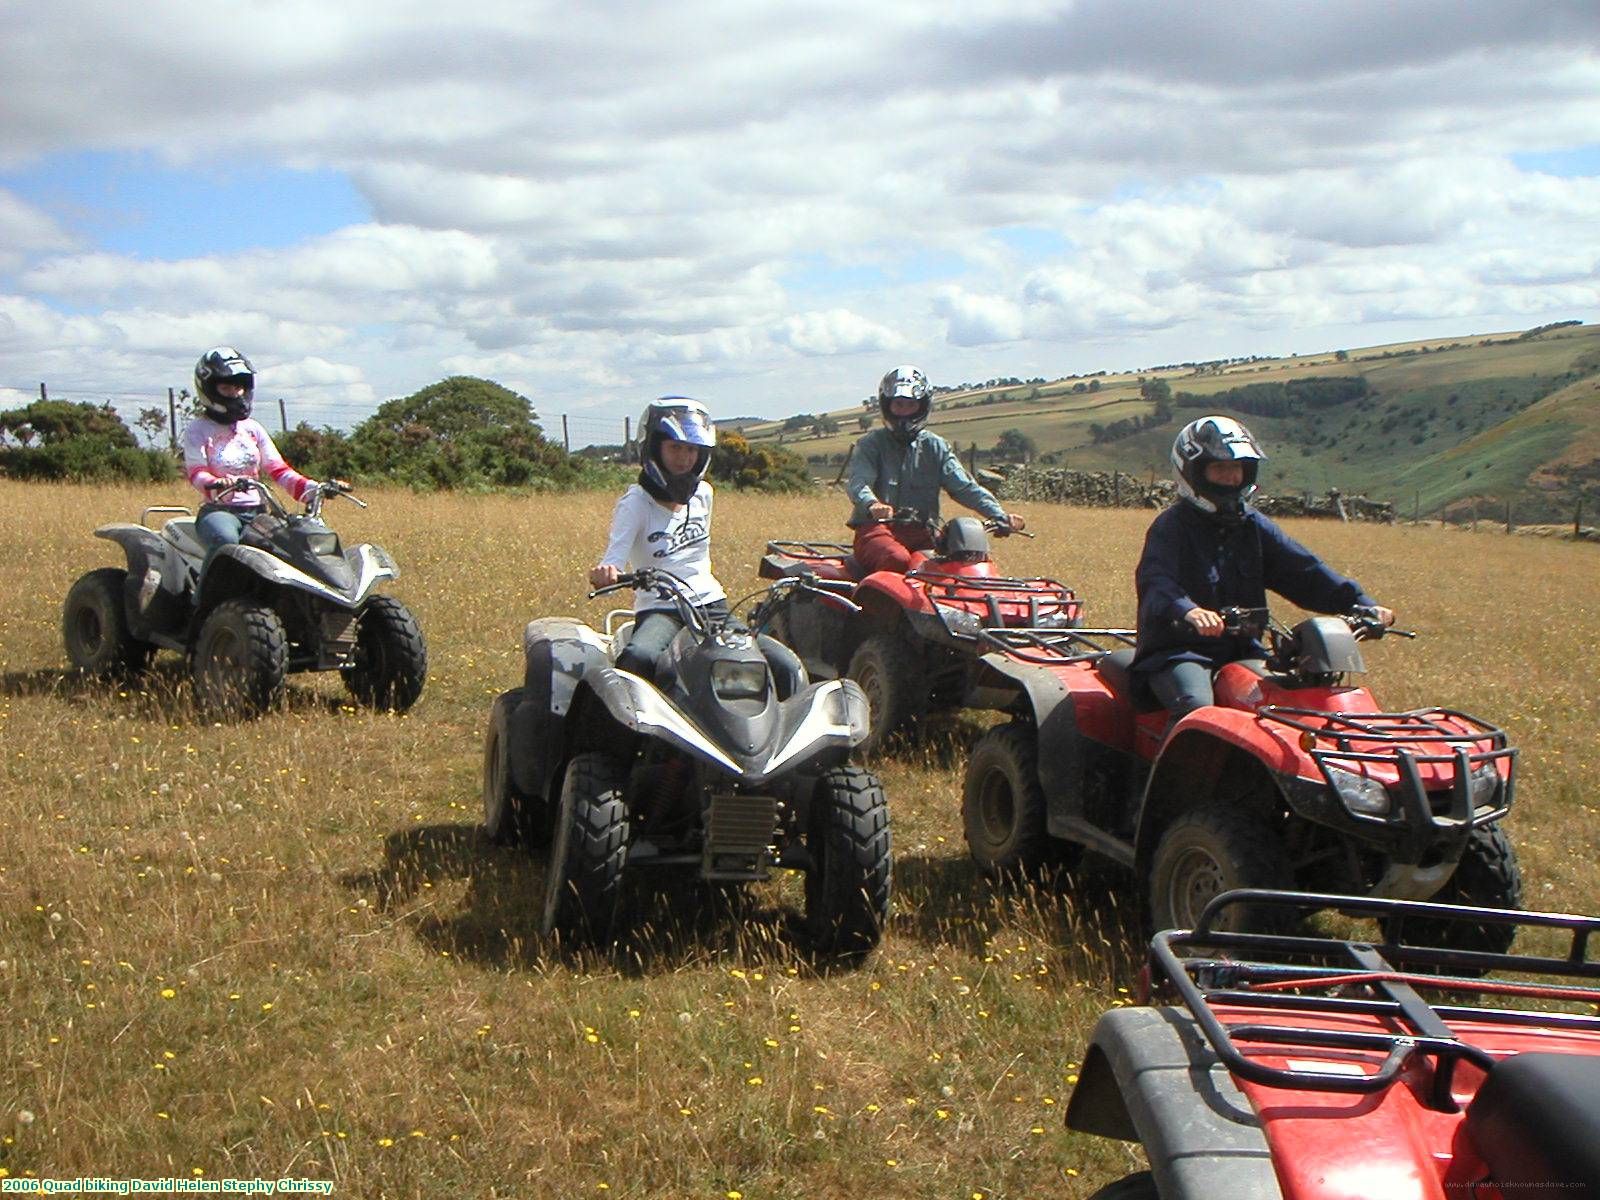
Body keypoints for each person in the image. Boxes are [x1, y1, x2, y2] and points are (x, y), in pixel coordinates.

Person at [1132, 415, 1394, 722]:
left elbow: (1304, 571)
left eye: (1236, 468)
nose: (1230, 477)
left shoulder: (1253, 526)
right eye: (1219, 468)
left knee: (1284, 705)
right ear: (1193, 472)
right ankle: (1169, 770)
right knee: (1198, 711)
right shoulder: (1171, 526)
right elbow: (1155, 580)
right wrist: (1187, 610)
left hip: (1244, 649)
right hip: (1179, 653)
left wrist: (1362, 605)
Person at [589, 397, 727, 679]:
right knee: (639, 659)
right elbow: (614, 559)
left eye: (691, 449)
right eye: (675, 447)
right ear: (654, 447)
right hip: (661, 609)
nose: (684, 457)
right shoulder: (635, 503)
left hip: (711, 604)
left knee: (779, 663)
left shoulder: (704, 494)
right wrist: (607, 573)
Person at [846, 365, 1025, 575]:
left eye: (910, 405)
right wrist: (872, 504)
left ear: (922, 407)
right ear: (887, 406)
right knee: (898, 560)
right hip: (876, 531)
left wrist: (1000, 516)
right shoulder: (871, 444)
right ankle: (874, 608)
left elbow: (964, 487)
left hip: (925, 533)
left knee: (964, 564)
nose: (904, 412)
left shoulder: (935, 446)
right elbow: (859, 482)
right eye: (898, 404)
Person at [180, 347, 320, 553]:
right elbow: (196, 473)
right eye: (227, 387)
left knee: (289, 548)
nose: (236, 393)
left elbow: (278, 469)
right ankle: (214, 585)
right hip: (220, 511)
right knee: (226, 542)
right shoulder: (198, 429)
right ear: (209, 388)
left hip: (259, 512)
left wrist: (310, 489)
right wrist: (217, 483)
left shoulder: (252, 428)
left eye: (239, 387)